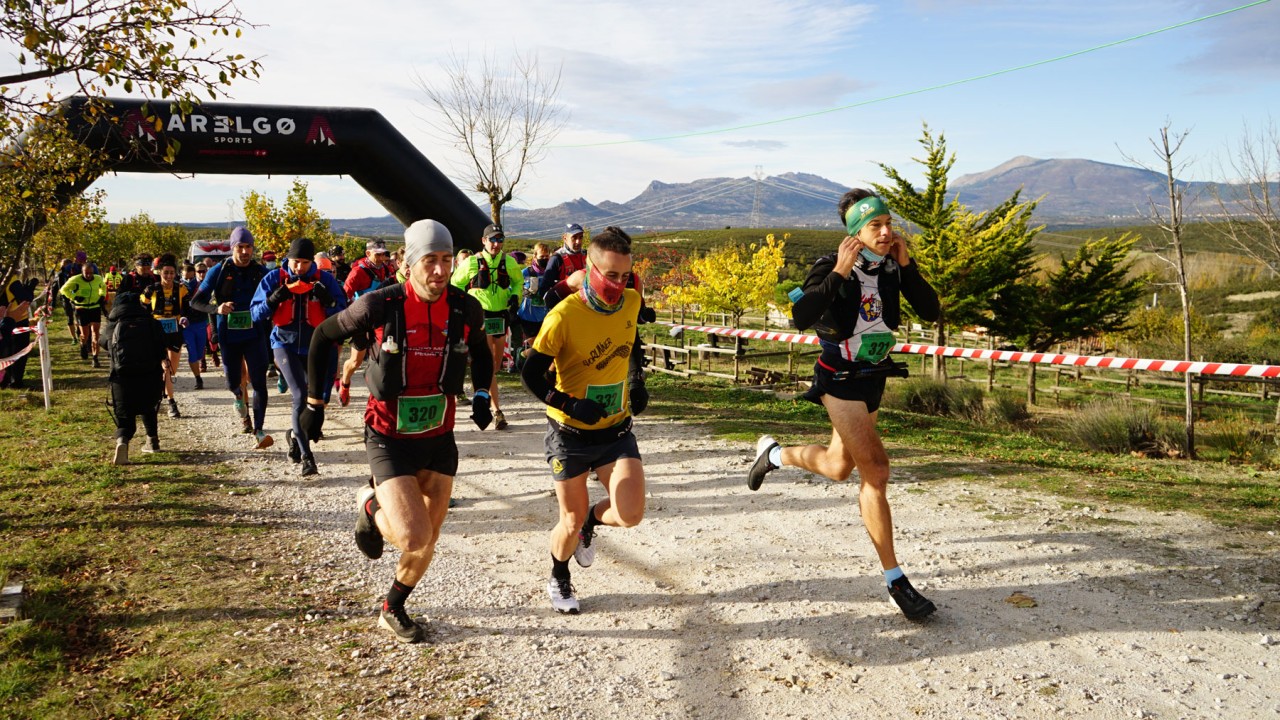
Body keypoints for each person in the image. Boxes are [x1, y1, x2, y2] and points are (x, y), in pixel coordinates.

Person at [747, 190, 942, 621]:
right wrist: (838, 269)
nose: (887, 231)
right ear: (855, 233)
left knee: (839, 466)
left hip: (874, 376)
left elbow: (931, 311)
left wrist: (907, 268)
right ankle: (896, 580)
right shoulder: (828, 265)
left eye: (888, 222)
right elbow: (802, 315)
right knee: (876, 470)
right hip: (839, 379)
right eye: (875, 226)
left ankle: (774, 454)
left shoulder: (892, 267)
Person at [303, 219, 493, 643]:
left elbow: (481, 349)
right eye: (430, 260)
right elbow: (322, 336)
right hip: (388, 437)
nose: (440, 271)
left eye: (446, 260)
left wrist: (481, 393)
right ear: (409, 265)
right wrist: (315, 404)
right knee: (413, 534)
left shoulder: (465, 308)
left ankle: (393, 607)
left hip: (439, 438)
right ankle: (370, 505)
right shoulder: (378, 306)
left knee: (429, 537)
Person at [520, 226, 650, 615]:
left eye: (624, 276)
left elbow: (633, 345)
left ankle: (593, 523)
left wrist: (637, 380)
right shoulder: (564, 315)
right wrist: (570, 404)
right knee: (569, 519)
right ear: (590, 269)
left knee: (630, 515)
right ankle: (559, 574)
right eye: (610, 275)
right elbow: (530, 375)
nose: (617, 283)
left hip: (615, 430)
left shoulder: (630, 302)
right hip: (570, 434)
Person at [251, 237, 347, 476]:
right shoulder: (274, 279)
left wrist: (329, 300)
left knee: (318, 407)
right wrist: (274, 299)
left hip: (316, 347)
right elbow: (255, 314)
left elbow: (344, 314)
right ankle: (307, 458)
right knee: (299, 395)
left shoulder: (325, 280)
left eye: (305, 263)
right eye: (295, 262)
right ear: (288, 259)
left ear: (311, 262)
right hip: (284, 344)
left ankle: (295, 435)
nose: (299, 268)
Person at [191, 227, 273, 447]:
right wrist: (217, 309)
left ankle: (259, 430)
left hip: (255, 334)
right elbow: (195, 302)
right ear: (232, 248)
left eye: (248, 247)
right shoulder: (218, 271)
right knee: (233, 383)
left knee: (259, 383)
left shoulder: (261, 272)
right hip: (229, 335)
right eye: (240, 247)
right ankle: (239, 399)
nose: (244, 252)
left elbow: (277, 299)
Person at [451, 223, 522, 430]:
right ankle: (495, 410)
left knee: (496, 366)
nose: (497, 244)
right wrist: (465, 306)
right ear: (483, 241)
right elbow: (455, 284)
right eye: (492, 239)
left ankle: (483, 396)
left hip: (500, 316)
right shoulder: (472, 262)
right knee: (487, 365)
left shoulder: (508, 262)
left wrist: (515, 296)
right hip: (479, 316)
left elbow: (518, 281)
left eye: (500, 240)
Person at [100, 291, 168, 463]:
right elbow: (161, 348)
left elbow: (104, 343)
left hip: (121, 377)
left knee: (124, 416)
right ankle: (152, 441)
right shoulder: (152, 323)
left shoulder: (112, 324)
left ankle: (122, 441)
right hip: (149, 375)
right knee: (148, 407)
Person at [336, 239, 395, 407]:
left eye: (383, 254)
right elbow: (345, 295)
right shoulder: (357, 272)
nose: (382, 257)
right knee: (355, 362)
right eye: (378, 254)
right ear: (368, 254)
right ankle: (345, 384)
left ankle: (379, 397)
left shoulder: (386, 269)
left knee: (383, 358)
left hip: (381, 321)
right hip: (361, 321)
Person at [142, 254, 194, 418]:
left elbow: (187, 309)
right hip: (157, 331)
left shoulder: (182, 289)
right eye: (166, 273)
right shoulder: (151, 290)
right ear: (159, 273)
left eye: (172, 273)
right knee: (165, 367)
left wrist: (185, 318)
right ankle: (172, 403)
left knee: (172, 370)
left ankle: (165, 389)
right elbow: (142, 307)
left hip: (175, 331)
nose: (169, 276)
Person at [59, 260, 107, 367]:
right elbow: (63, 290)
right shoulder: (75, 279)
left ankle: (95, 358)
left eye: (91, 272)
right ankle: (83, 345)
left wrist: (102, 295)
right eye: (86, 273)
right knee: (85, 335)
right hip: (82, 309)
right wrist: (74, 297)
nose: (89, 275)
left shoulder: (98, 278)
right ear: (82, 272)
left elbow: (103, 287)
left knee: (95, 334)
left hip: (94, 307)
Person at [0, 273, 38, 389]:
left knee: (5, 352)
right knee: (18, 352)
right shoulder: (9, 277)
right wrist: (29, 290)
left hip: (5, 319)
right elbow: (25, 298)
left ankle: (4, 382)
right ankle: (15, 382)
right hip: (16, 318)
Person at [541, 223, 587, 311]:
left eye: (581, 237)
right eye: (574, 238)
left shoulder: (587, 255)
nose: (578, 241)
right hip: (563, 309)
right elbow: (544, 290)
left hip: (583, 308)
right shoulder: (557, 258)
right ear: (565, 238)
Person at [516, 242, 552, 357]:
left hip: (545, 316)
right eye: (542, 257)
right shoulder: (526, 272)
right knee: (535, 348)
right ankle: (520, 356)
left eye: (547, 257)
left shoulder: (550, 273)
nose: (545, 259)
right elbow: (513, 287)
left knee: (544, 347)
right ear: (535, 256)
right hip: (528, 316)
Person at [181, 263, 208, 389]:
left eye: (191, 278)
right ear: (182, 276)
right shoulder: (179, 287)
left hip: (201, 322)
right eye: (186, 278)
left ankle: (200, 363)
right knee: (192, 352)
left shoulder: (203, 287)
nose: (188, 281)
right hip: (187, 325)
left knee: (199, 353)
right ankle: (198, 379)